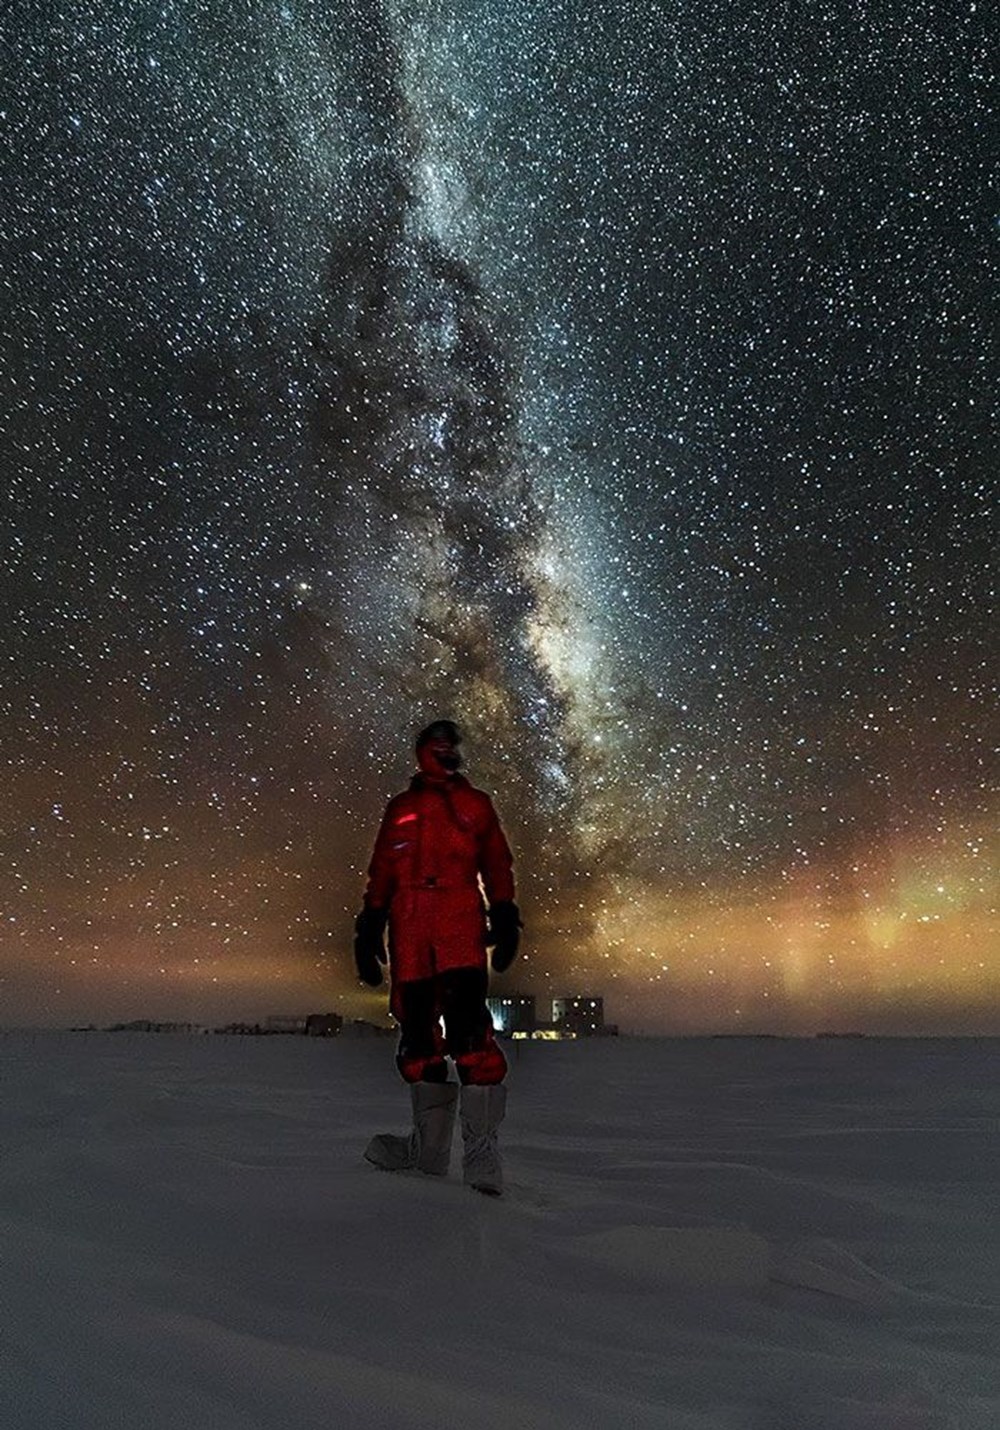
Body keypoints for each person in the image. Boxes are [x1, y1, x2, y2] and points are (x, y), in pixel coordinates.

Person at [353, 719, 521, 1195]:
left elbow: (497, 863)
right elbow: (382, 870)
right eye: (436, 745)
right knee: (418, 1040)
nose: (445, 752)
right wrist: (369, 924)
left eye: (451, 745)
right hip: (409, 936)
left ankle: (481, 1153)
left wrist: (506, 913)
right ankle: (428, 1152)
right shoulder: (401, 810)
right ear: (423, 751)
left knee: (470, 1036)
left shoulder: (475, 806)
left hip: (459, 931)